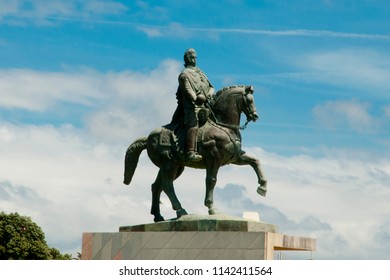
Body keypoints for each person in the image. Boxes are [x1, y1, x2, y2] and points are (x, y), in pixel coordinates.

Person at [171, 48, 215, 162]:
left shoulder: (201, 73)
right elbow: (188, 90)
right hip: (191, 107)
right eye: (191, 57)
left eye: (195, 57)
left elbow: (211, 87)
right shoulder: (184, 75)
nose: (194, 59)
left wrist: (209, 95)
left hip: (205, 105)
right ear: (186, 59)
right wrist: (196, 99)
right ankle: (191, 151)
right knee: (193, 124)